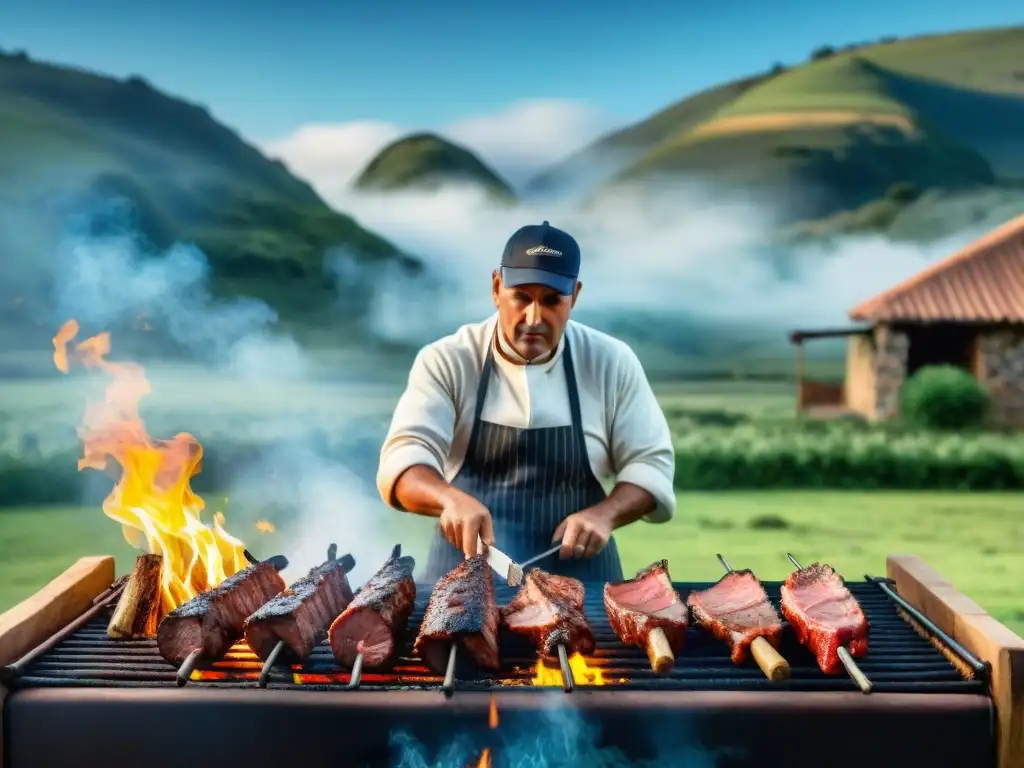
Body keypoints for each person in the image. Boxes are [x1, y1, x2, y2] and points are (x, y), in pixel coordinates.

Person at [376, 220, 676, 582]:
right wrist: (447, 499)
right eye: (521, 297)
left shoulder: (611, 361)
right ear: (497, 287)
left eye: (552, 301)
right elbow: (405, 459)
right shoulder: (448, 359)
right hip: (462, 582)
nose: (534, 318)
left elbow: (650, 465)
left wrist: (605, 515)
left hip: (582, 587)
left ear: (575, 296)